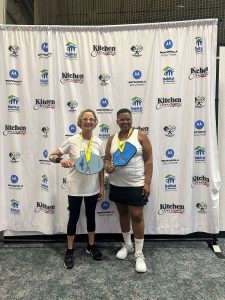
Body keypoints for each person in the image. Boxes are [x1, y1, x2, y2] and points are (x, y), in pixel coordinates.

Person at [49, 109, 104, 269]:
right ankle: (70, 250)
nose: (88, 121)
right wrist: (61, 160)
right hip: (75, 187)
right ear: (80, 121)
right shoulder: (72, 140)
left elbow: (100, 167)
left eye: (91, 119)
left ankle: (90, 246)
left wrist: (101, 186)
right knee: (73, 217)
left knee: (91, 216)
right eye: (85, 119)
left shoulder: (99, 142)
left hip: (92, 187)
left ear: (95, 122)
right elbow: (51, 156)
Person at [104, 108, 153, 273]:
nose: (125, 122)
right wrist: (107, 165)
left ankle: (139, 254)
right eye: (122, 120)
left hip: (136, 184)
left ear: (131, 120)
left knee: (137, 216)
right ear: (117, 121)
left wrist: (147, 183)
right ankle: (127, 245)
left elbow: (149, 161)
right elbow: (107, 158)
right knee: (123, 214)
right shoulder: (112, 139)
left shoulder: (140, 136)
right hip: (117, 184)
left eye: (128, 119)